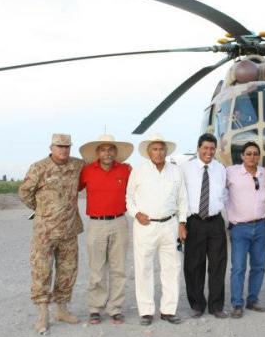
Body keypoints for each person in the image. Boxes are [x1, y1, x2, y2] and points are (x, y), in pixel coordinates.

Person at [18, 133, 85, 334]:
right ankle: (43, 314)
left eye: (67, 147)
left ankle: (62, 310)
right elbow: (24, 192)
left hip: (69, 229)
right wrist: (42, 210)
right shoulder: (39, 167)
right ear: (51, 147)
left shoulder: (77, 165)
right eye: (59, 146)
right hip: (45, 232)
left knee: (68, 270)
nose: (63, 150)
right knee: (42, 271)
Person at [126, 133, 188, 326]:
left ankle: (168, 310)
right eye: (155, 149)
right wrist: (136, 213)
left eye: (162, 149)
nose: (159, 153)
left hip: (170, 225)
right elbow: (129, 198)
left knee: (172, 268)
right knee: (144, 268)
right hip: (146, 225)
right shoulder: (138, 171)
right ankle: (146, 311)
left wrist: (182, 223)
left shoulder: (176, 171)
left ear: (166, 151)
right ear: (148, 152)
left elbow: (182, 199)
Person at [78, 134, 134, 325]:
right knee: (97, 268)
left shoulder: (126, 170)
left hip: (119, 222)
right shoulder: (87, 171)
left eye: (111, 149)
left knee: (118, 269)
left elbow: (137, 191)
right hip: (96, 224)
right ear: (97, 153)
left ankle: (115, 308)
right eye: (103, 149)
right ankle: (95, 308)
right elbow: (71, 189)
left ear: (116, 152)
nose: (107, 153)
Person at [180, 133, 229, 319]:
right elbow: (181, 197)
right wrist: (182, 223)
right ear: (198, 148)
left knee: (218, 264)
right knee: (194, 265)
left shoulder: (220, 169)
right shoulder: (186, 168)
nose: (209, 152)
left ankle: (216, 306)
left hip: (215, 222)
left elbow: (223, 195)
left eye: (212, 148)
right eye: (205, 148)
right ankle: (197, 304)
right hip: (194, 221)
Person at [225, 141, 265, 318]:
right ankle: (237, 303)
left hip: (261, 226)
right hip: (240, 228)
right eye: (248, 153)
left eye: (255, 153)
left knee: (258, 266)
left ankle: (253, 300)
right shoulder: (231, 172)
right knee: (238, 267)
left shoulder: (264, 173)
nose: (252, 156)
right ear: (242, 156)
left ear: (259, 156)